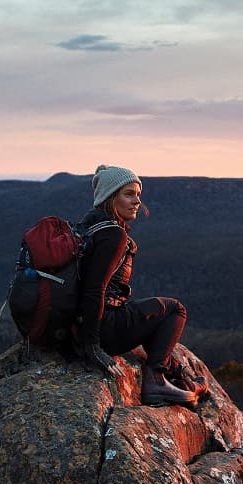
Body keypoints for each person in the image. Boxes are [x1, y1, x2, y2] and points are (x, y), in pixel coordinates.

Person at [74, 165, 200, 407]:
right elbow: (93, 290)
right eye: (129, 194)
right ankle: (156, 381)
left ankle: (177, 373)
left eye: (138, 194)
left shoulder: (89, 224)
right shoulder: (113, 235)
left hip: (81, 324)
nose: (137, 202)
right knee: (175, 309)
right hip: (103, 329)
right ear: (111, 197)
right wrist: (92, 346)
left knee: (153, 314)